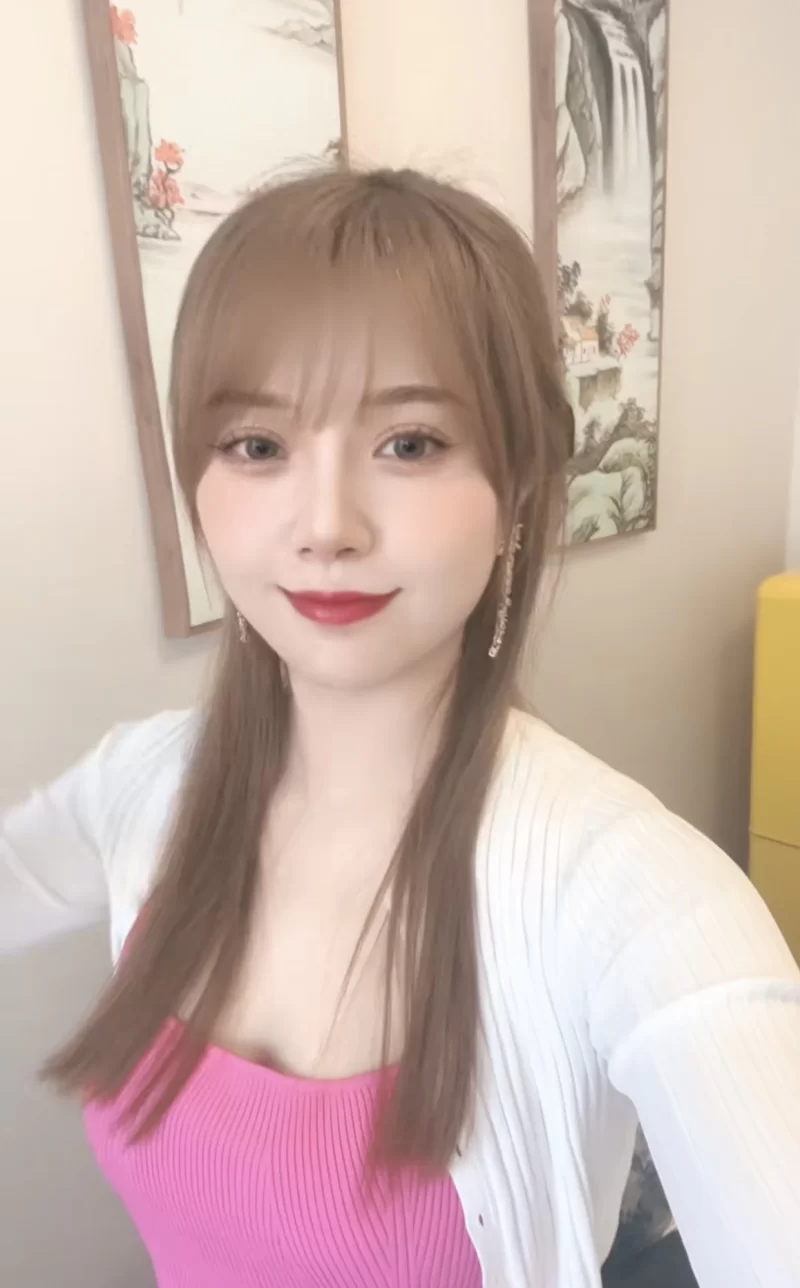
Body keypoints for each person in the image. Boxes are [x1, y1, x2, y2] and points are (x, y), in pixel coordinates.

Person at [1, 168, 798, 1288]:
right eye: (257, 445)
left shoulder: (633, 897)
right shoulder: (146, 787)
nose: (325, 526)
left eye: (410, 443)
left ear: (519, 488)